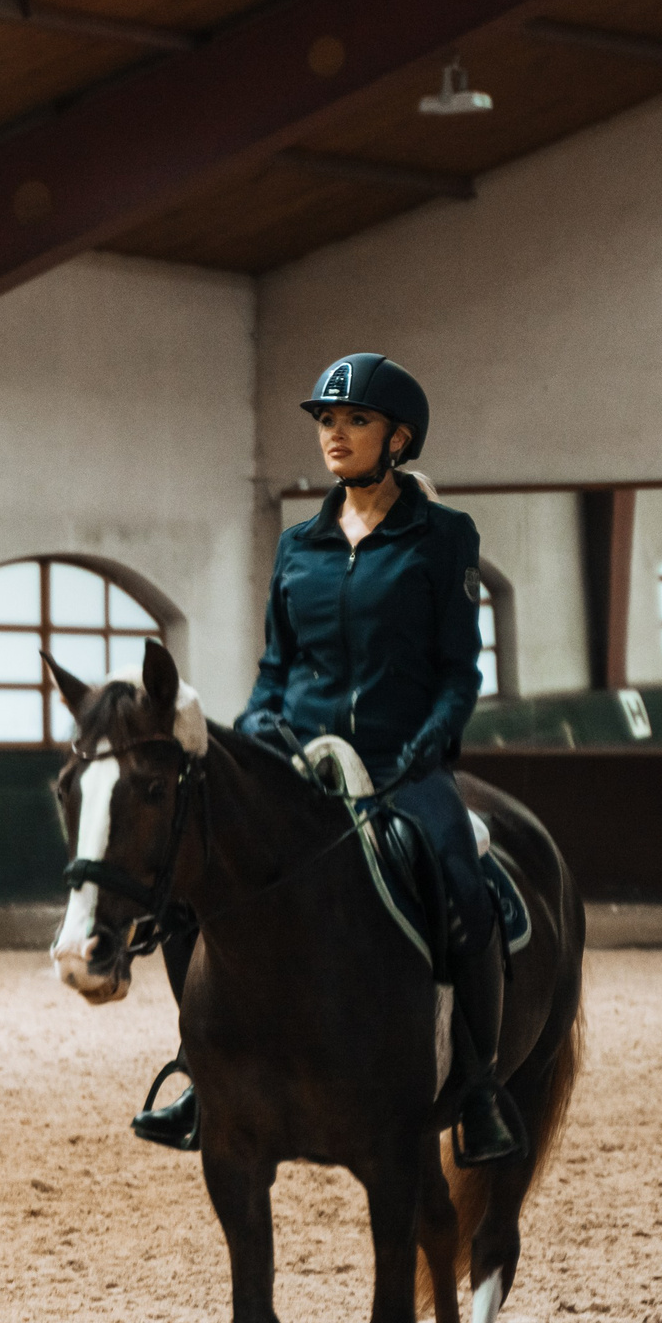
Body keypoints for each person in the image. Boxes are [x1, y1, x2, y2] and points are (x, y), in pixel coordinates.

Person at [129, 353, 524, 1166]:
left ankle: (479, 1084)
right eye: (326, 422)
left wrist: (430, 744)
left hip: (402, 761)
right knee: (187, 883)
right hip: (298, 754)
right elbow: (278, 664)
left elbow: (459, 670)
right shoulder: (298, 546)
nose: (335, 435)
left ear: (398, 438)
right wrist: (260, 720)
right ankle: (202, 1071)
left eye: (355, 421)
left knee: (460, 875)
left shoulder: (444, 538)